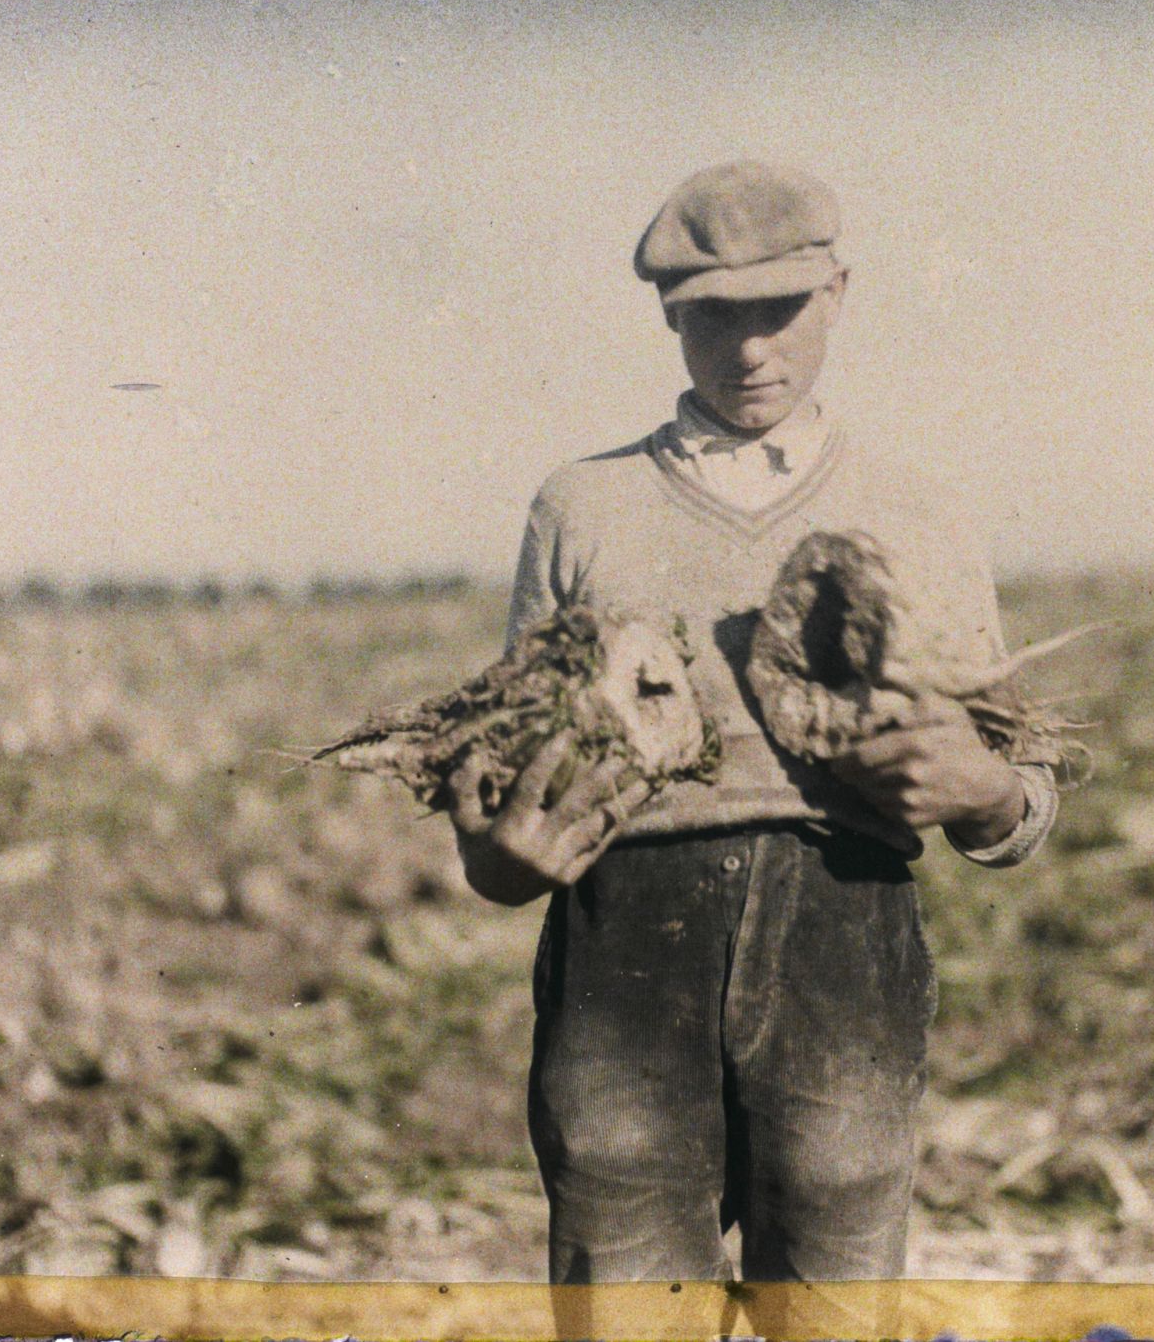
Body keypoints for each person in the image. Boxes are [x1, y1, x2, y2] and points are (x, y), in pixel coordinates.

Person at [448, 160, 1058, 1285]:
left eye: (777, 313)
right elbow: (498, 791)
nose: (748, 353)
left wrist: (982, 791)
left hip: (845, 946)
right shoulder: (581, 506)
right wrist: (498, 858)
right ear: (669, 314)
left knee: (827, 1294)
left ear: (837, 293)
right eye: (710, 320)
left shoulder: (913, 510)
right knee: (624, 1291)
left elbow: (1017, 792)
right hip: (621, 956)